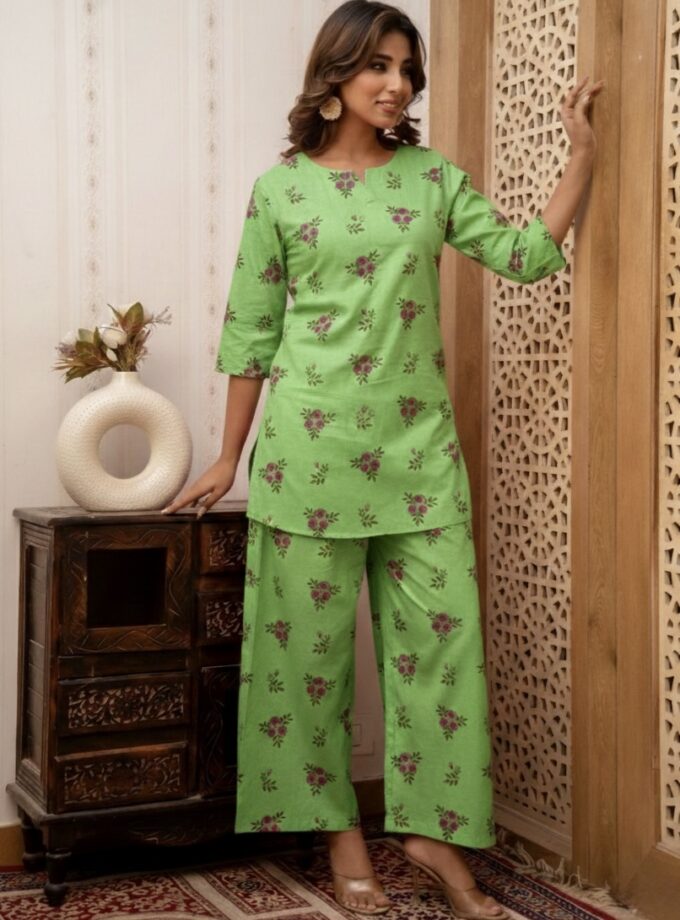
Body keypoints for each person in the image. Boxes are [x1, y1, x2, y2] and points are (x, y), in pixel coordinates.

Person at [161, 1, 602, 915]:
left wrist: (582, 160)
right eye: (379, 65)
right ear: (336, 75)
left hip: (420, 458)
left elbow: (523, 256)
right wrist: (227, 455)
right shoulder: (280, 192)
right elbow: (252, 331)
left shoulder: (433, 180)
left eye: (407, 69)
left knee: (442, 654)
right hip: (308, 457)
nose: (397, 84)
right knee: (306, 664)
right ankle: (342, 834)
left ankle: (432, 835)